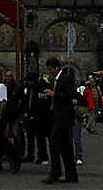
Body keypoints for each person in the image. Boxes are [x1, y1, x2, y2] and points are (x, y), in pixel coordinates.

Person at [41, 56, 78, 185]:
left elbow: (70, 95)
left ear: (57, 68)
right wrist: (47, 96)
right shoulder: (54, 80)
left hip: (63, 118)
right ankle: (71, 174)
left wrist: (54, 95)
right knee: (65, 147)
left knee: (54, 145)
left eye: (51, 69)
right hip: (56, 116)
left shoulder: (65, 79)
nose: (49, 72)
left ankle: (55, 172)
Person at [2, 70, 23, 172]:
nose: (8, 78)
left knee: (16, 136)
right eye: (6, 76)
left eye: (9, 76)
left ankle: (18, 156)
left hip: (14, 115)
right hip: (6, 115)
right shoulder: (3, 87)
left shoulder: (17, 87)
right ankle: (10, 158)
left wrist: (19, 113)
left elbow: (20, 101)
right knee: (6, 138)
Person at [73, 88, 88, 166]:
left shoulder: (75, 95)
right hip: (75, 118)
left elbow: (85, 102)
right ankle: (78, 157)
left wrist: (77, 102)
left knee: (76, 138)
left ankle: (78, 156)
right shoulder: (76, 94)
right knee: (77, 138)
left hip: (75, 118)